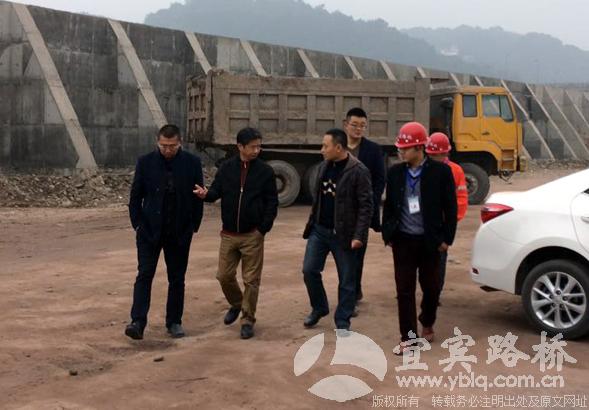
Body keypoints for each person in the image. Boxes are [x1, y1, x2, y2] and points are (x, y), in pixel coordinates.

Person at [193, 128, 278, 340]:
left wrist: (262, 229)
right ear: (240, 146)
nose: (257, 150)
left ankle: (248, 320)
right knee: (223, 276)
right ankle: (237, 303)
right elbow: (215, 192)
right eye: (253, 147)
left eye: (259, 146)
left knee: (251, 280)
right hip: (229, 234)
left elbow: (272, 203)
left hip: (252, 235)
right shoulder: (227, 168)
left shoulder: (265, 171)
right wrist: (205, 195)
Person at [381, 122, 457, 353]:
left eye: (405, 148)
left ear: (419, 148)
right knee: (404, 290)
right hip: (403, 240)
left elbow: (450, 208)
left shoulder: (440, 172)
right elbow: (389, 206)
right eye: (400, 148)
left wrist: (446, 239)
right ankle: (409, 337)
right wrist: (388, 233)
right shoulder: (395, 173)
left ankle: (427, 320)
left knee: (431, 288)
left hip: (429, 241)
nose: (401, 152)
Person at [125, 124, 204, 340]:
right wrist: (137, 224)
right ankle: (138, 321)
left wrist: (193, 225)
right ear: (157, 142)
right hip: (149, 231)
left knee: (177, 278)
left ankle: (174, 322)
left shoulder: (192, 163)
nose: (168, 150)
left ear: (180, 143)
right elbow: (135, 196)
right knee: (144, 275)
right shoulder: (145, 162)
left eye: (172, 146)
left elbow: (198, 196)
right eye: (164, 146)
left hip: (179, 231)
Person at [301, 128, 373, 332]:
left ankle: (343, 320)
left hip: (344, 234)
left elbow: (366, 206)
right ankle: (319, 307)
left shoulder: (358, 171)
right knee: (309, 270)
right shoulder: (323, 166)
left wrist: (359, 235)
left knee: (347, 280)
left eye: (326, 146)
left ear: (339, 148)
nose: (322, 150)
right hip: (319, 230)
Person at [343, 108, 386, 308]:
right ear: (346, 125)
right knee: (343, 255)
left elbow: (380, 179)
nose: (358, 129)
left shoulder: (373, 150)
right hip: (340, 212)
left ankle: (351, 294)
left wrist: (371, 202)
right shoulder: (338, 146)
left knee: (357, 254)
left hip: (362, 211)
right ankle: (352, 289)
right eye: (355, 125)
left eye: (362, 126)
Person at [425, 132, 468, 292]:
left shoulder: (455, 170)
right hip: (425, 224)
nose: (432, 157)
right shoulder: (423, 168)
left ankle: (435, 293)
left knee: (439, 261)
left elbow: (461, 199)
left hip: (443, 225)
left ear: (445, 153)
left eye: (435, 155)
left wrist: (450, 223)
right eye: (430, 155)